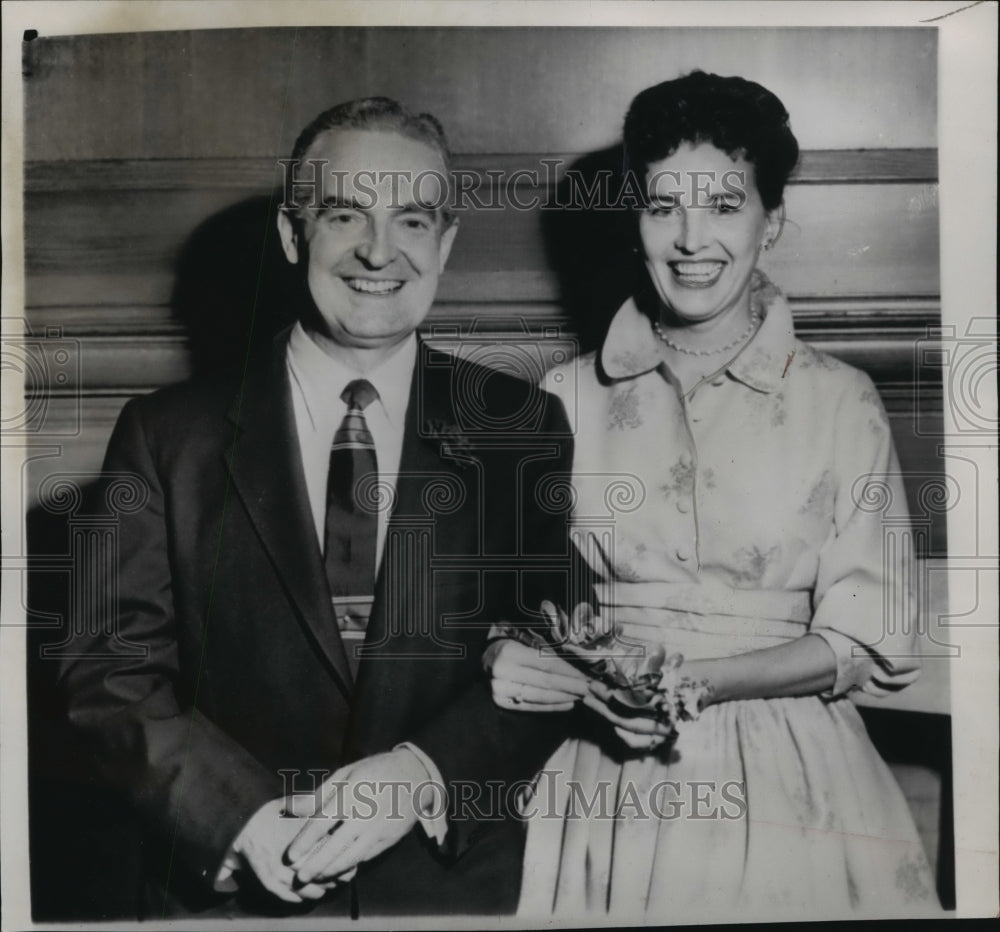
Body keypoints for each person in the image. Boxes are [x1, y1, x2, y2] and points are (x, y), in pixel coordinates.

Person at [57, 97, 574, 918]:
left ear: (444, 244)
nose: (380, 251)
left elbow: (555, 653)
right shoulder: (166, 436)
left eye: (412, 221)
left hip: (447, 889)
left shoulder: (519, 427)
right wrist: (241, 820)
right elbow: (108, 676)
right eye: (345, 215)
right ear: (295, 236)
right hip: (231, 898)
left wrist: (423, 773)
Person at [487, 71, 941, 920]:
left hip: (792, 777)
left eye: (725, 204)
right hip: (597, 769)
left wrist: (697, 681)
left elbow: (860, 636)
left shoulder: (839, 400)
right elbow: (507, 608)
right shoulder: (560, 396)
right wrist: (544, 665)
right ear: (635, 220)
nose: (693, 239)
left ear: (773, 222)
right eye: (664, 208)